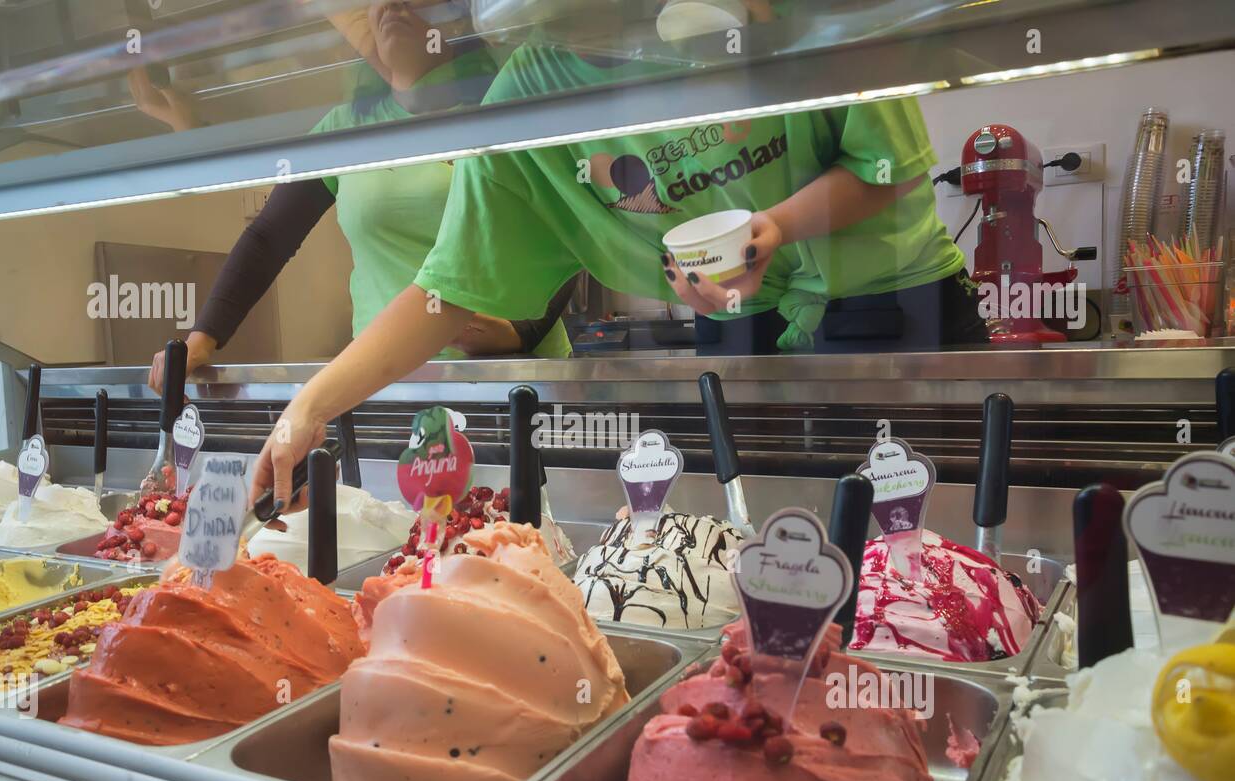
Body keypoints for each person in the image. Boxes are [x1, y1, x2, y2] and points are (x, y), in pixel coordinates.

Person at [250, 9, 979, 507]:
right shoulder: (532, 93)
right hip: (738, 328)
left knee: (917, 552)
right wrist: (309, 405)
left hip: (892, 308)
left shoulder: (760, 14)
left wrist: (772, 230)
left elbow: (892, 167)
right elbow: (448, 289)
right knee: (774, 544)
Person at [144, 1, 570, 393]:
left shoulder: (506, 107)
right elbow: (268, 238)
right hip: (387, 378)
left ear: (457, 15)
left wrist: (518, 331)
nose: (391, 4)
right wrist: (201, 339)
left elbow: (571, 229)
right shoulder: (347, 130)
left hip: (510, 376)